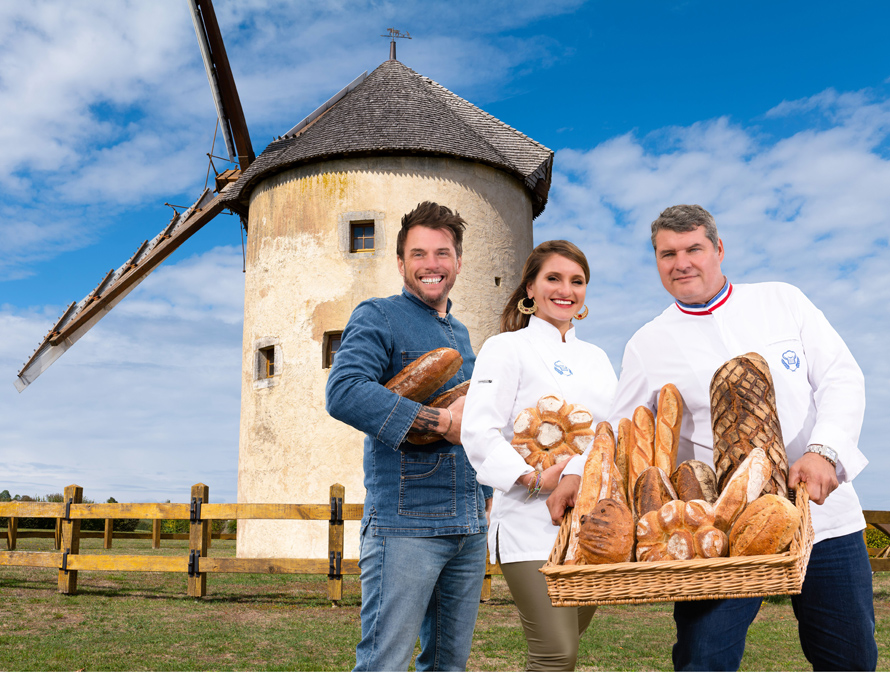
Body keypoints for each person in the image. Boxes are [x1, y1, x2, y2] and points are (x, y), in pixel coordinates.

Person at [547, 204, 877, 671]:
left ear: (718, 249)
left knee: (850, 659)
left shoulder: (783, 301)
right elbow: (620, 424)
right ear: (657, 262)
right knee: (704, 659)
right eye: (667, 254)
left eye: (693, 249)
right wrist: (577, 474)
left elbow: (842, 377)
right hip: (719, 533)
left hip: (822, 517)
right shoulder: (649, 341)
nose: (681, 262)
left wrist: (824, 451)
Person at [325, 201, 491, 672]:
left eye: (442, 253)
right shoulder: (379, 316)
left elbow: (477, 422)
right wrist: (439, 423)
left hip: (467, 526)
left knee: (447, 666)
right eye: (418, 254)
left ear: (457, 261)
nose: (431, 264)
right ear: (400, 263)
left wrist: (486, 495)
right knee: (385, 664)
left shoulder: (459, 333)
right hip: (406, 525)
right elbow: (344, 391)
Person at [461, 240, 617, 671]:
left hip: (590, 525)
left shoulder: (599, 359)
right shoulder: (506, 348)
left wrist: (580, 473)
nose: (565, 289)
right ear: (530, 287)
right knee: (555, 651)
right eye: (553, 278)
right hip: (529, 521)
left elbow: (611, 434)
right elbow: (478, 429)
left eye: (577, 281)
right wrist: (532, 477)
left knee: (567, 642)